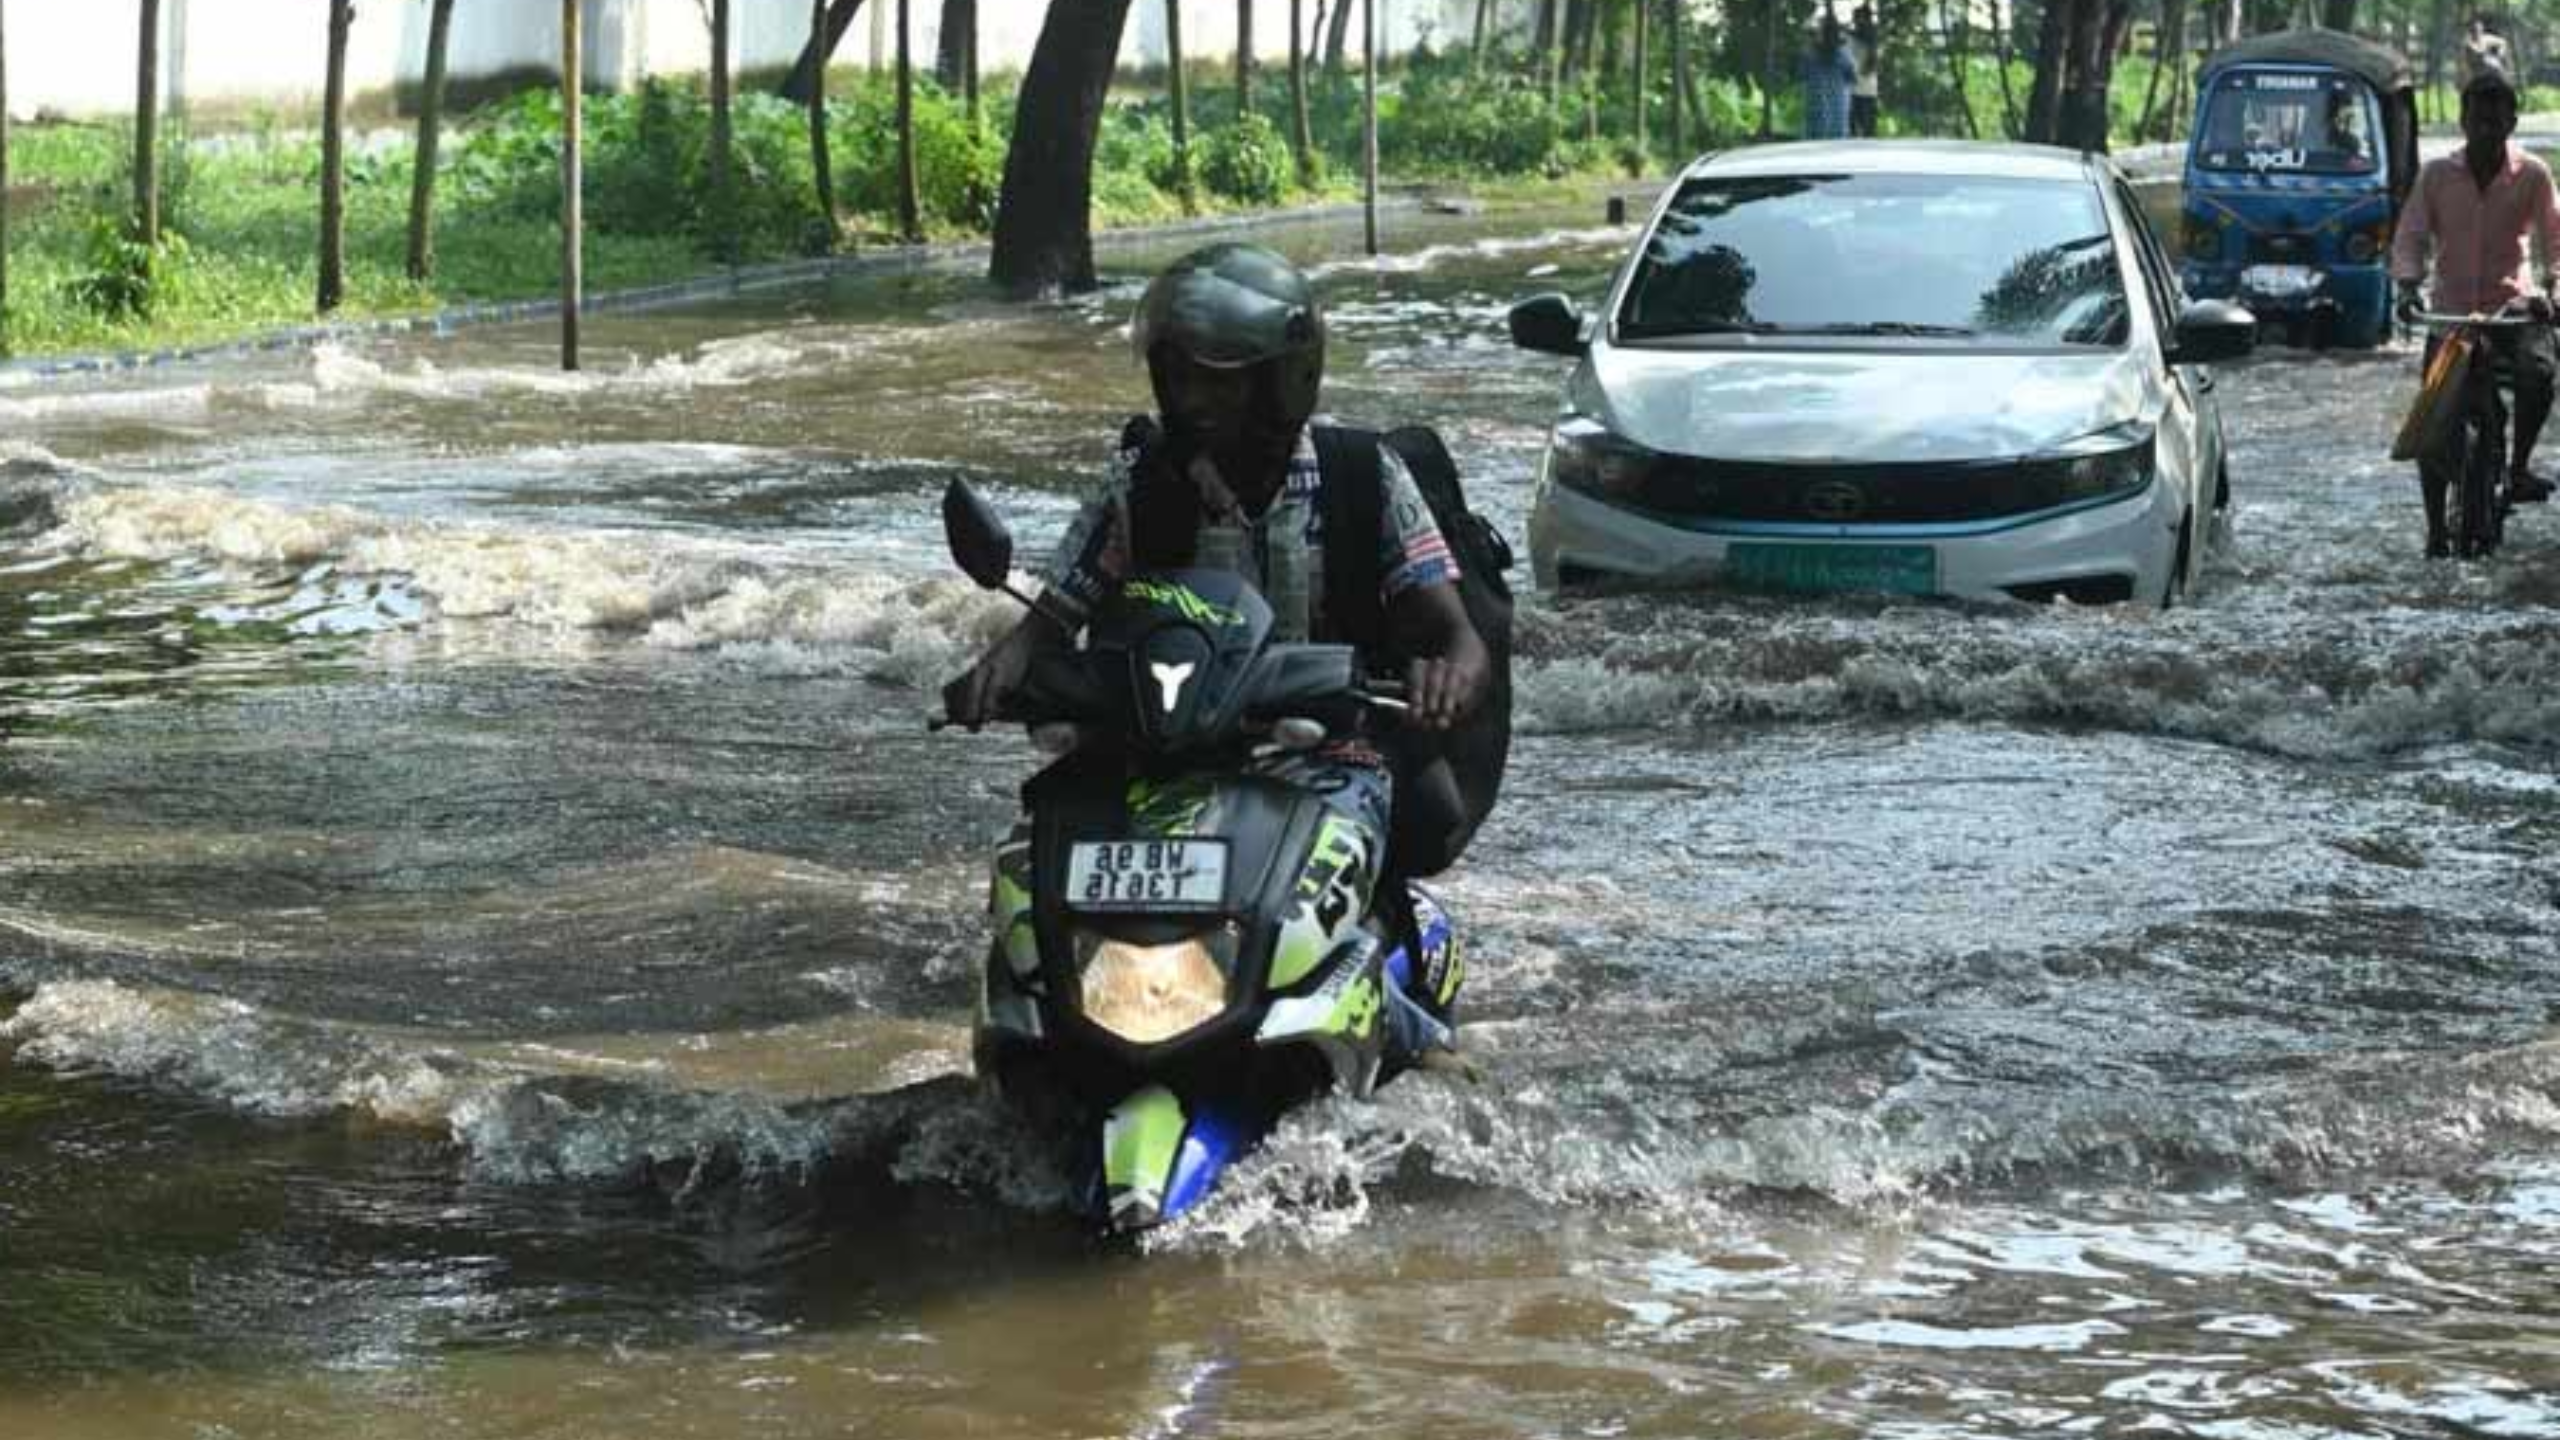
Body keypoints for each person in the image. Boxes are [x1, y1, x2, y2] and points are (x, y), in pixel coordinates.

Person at [942, 242, 1491, 1058]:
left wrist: (1445, 672)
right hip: (1165, 750)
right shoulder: (1139, 480)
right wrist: (1000, 669)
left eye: (1219, 378)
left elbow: (1455, 632)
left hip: (1327, 751)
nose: (1194, 399)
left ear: (1283, 381)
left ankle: (1416, 1046)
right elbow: (1053, 613)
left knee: (1377, 984)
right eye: (1181, 375)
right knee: (1043, 894)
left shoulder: (1361, 476)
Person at [2392, 70, 2560, 555]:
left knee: (2540, 374)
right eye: (2477, 119)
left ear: (2512, 121)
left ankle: (2519, 467)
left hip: (2513, 309)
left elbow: (2554, 240)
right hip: (2450, 315)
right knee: (2432, 419)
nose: (2486, 129)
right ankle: (2435, 530)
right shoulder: (2437, 175)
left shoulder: (2533, 174)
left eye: (2496, 119)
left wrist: (2553, 289)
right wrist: (2407, 285)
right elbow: (2411, 235)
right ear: (2463, 122)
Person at [1801, 11, 1856, 141]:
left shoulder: (1809, 54)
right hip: (1838, 117)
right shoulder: (1844, 54)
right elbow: (1852, 79)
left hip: (1815, 114)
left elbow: (1802, 76)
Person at [1848, 6, 1882, 139]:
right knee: (1863, 134)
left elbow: (1871, 66)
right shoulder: (1871, 38)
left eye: (1857, 18)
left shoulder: (1869, 39)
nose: (1855, 22)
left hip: (1862, 91)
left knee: (1864, 134)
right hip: (1861, 91)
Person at [2462, 16, 2513, 84]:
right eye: (2474, 30)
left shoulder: (2486, 38)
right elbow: (2476, 53)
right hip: (2477, 72)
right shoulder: (2468, 42)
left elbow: (2503, 42)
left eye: (2479, 30)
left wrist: (2500, 53)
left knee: (2495, 64)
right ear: (2470, 31)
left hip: (2493, 69)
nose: (2477, 32)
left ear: (2482, 30)